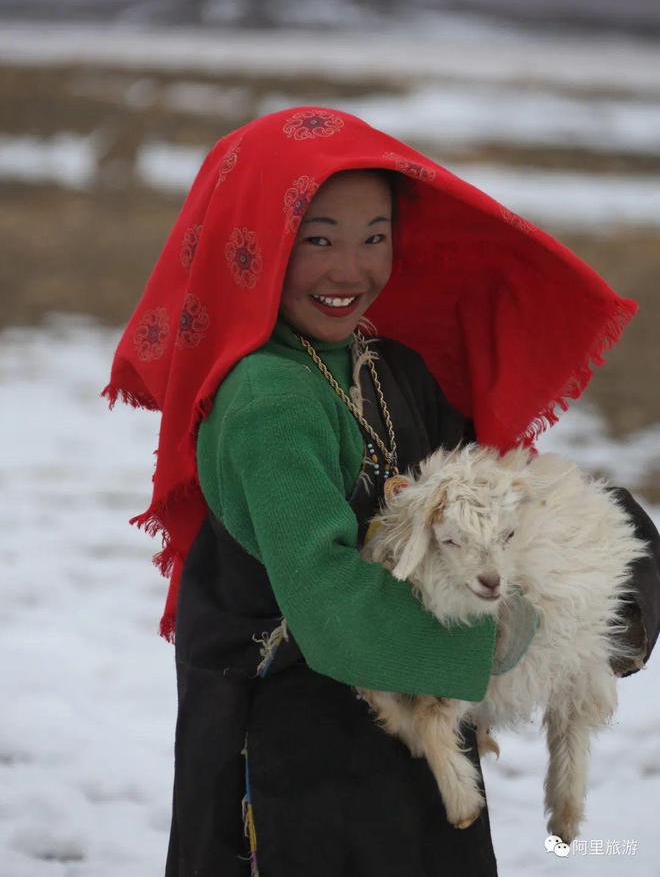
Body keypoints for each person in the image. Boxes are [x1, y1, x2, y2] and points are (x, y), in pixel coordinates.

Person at [103, 107, 660, 876]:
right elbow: (329, 598)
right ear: (260, 248)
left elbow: (492, 491)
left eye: (375, 238)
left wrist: (603, 562)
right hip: (289, 764)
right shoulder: (270, 400)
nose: (350, 270)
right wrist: (512, 637)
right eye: (318, 238)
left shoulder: (385, 364)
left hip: (402, 746)